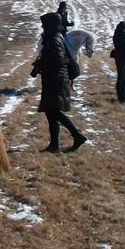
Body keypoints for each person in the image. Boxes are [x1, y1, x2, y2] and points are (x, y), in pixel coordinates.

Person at [31, 12, 87, 153]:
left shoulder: (54, 39)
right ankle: (54, 145)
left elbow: (58, 60)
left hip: (55, 81)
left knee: (54, 112)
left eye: (44, 25)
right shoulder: (55, 37)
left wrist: (42, 65)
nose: (43, 27)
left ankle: (77, 136)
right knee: (51, 113)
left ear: (51, 25)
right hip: (55, 80)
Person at [110, 21, 125, 103]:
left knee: (120, 75)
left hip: (118, 56)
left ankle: (120, 94)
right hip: (124, 57)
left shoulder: (115, 34)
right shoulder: (123, 34)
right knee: (122, 76)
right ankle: (122, 96)